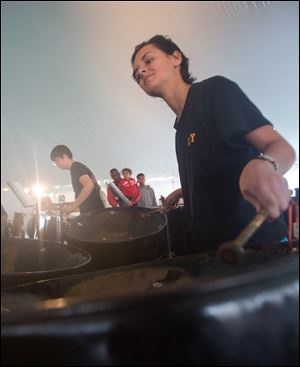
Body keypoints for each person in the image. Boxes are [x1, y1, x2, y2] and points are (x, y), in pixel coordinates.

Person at [131, 35, 296, 252]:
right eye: (136, 73)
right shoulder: (180, 129)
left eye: (148, 60)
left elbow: (281, 148)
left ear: (176, 57)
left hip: (259, 247)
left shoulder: (213, 92)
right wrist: (184, 191)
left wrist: (263, 165)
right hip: (213, 254)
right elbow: (219, 172)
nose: (141, 71)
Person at [50, 145, 104, 215]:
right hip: (95, 213)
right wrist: (70, 206)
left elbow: (89, 186)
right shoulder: (77, 167)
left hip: (93, 215)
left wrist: (72, 207)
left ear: (65, 156)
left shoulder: (76, 168)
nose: (57, 164)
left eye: (57, 161)